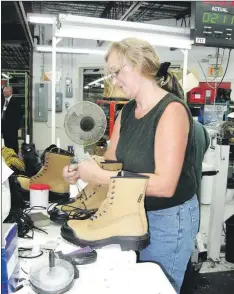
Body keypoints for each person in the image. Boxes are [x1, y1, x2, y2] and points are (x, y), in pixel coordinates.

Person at [63, 38, 199, 293]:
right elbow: (112, 162)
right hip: (130, 212)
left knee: (157, 286)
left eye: (116, 71)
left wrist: (101, 177)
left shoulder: (171, 111)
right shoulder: (126, 112)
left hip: (168, 218)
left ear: (139, 66)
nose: (114, 80)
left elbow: (165, 185)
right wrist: (82, 168)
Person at [1, 86, 22, 154]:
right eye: (3, 91)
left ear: (10, 92)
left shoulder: (16, 102)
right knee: (5, 144)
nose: (3, 93)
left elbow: (19, 115)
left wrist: (15, 127)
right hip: (3, 127)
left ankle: (13, 157)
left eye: (5, 92)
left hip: (11, 128)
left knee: (12, 144)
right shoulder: (2, 101)